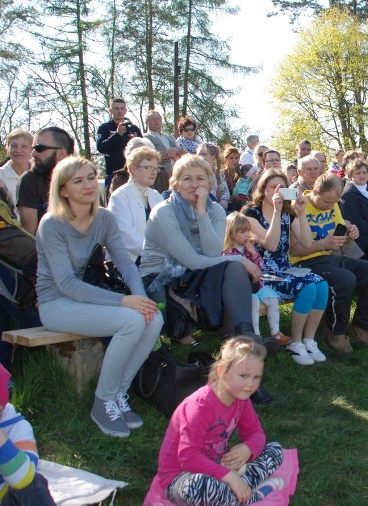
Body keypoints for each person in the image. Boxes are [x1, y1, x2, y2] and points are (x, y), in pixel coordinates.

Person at [36, 157, 162, 437]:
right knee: (130, 322)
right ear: (63, 189)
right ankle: (102, 401)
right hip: (55, 303)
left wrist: (140, 299)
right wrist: (123, 301)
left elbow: (126, 264)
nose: (88, 184)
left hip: (83, 299)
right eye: (78, 180)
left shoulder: (104, 217)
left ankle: (119, 394)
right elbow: (66, 283)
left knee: (152, 318)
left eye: (91, 177)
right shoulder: (52, 224)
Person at [140, 155, 265, 345]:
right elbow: (194, 262)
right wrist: (240, 259)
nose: (194, 184)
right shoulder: (164, 212)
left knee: (232, 269)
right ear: (176, 183)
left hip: (194, 273)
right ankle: (234, 337)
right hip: (162, 277)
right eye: (187, 178)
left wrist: (201, 212)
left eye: (200, 179)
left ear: (209, 183)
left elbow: (213, 253)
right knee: (234, 264)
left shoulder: (214, 210)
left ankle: (242, 334)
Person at [149, 337, 285, 506]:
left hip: (218, 466)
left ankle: (236, 491)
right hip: (181, 477)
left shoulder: (242, 399)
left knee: (276, 450)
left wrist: (247, 448)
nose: (250, 384)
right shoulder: (199, 407)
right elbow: (188, 457)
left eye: (257, 377)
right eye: (243, 375)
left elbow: (256, 433)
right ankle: (253, 493)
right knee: (200, 487)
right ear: (222, 371)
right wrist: (230, 477)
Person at [290, 173, 368, 354]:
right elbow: (293, 250)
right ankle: (336, 332)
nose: (331, 206)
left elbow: (342, 239)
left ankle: (361, 328)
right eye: (327, 202)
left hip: (328, 257)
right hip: (303, 262)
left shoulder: (333, 205)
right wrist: (322, 244)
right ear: (316, 192)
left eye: (334, 202)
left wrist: (350, 233)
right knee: (344, 279)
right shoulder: (299, 206)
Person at [243, 171, 329, 365]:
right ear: (263, 190)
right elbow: (271, 244)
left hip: (283, 271)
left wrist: (300, 212)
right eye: (273, 187)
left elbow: (307, 242)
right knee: (307, 286)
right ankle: (295, 342)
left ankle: (308, 339)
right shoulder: (250, 214)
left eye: (282, 188)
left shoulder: (286, 215)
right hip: (262, 275)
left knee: (321, 284)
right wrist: (275, 211)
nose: (278, 192)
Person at [0, 353, 57, 506]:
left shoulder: (18, 428)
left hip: (4, 501)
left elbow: (22, 479)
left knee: (33, 482)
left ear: (1, 403)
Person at [222, 213, 286, 347]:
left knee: (272, 299)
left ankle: (276, 333)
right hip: (244, 290)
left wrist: (254, 254)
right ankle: (256, 337)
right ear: (231, 233)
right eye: (242, 232)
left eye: (248, 231)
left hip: (258, 285)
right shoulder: (227, 252)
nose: (247, 234)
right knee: (254, 302)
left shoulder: (248, 248)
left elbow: (260, 267)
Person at [107, 146, 164, 263]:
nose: (153, 172)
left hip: (157, 260)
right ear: (133, 169)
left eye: (155, 168)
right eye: (148, 167)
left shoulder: (156, 196)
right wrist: (154, 254)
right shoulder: (120, 197)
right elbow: (126, 236)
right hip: (131, 263)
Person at [16, 127, 74, 235]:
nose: (33, 153)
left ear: (61, 154)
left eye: (39, 148)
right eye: (33, 148)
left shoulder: (84, 179)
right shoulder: (29, 181)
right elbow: (30, 235)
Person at [96, 98, 142, 192]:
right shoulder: (104, 128)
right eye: (116, 108)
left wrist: (136, 141)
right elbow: (101, 147)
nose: (119, 111)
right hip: (113, 174)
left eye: (122, 108)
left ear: (126, 110)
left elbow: (145, 149)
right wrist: (117, 135)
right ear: (110, 110)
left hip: (134, 174)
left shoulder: (133, 128)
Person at [143, 109, 184, 192]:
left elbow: (184, 154)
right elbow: (149, 157)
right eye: (153, 119)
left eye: (158, 118)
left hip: (177, 175)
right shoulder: (145, 138)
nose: (156, 120)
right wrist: (168, 154)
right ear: (147, 122)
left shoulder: (169, 137)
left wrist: (176, 150)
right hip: (160, 177)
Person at [0, 128, 33, 207]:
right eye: (14, 146)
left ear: (31, 149)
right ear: (7, 149)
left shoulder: (41, 175)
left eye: (24, 146)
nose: (18, 150)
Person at [197, 143, 230, 210]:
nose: (200, 157)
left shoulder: (217, 172)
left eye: (204, 154)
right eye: (199, 154)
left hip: (217, 205)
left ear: (213, 156)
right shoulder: (195, 173)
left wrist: (224, 200)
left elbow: (225, 191)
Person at [222, 145, 248, 212]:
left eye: (236, 158)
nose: (234, 160)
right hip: (226, 204)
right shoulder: (221, 174)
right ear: (226, 159)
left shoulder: (243, 172)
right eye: (231, 158)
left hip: (243, 204)